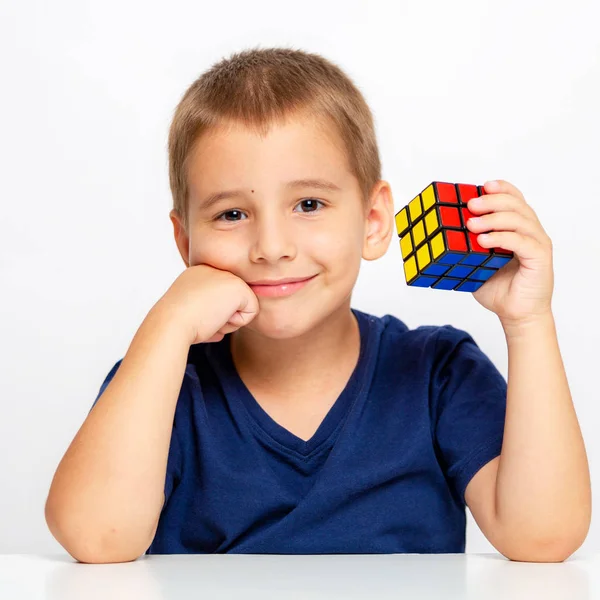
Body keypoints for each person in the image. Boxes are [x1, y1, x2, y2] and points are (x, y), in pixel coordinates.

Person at [44, 46, 591, 564]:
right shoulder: (163, 383)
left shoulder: (437, 374)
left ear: (374, 222)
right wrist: (165, 327)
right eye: (231, 214)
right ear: (185, 242)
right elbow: (96, 538)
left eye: (309, 204)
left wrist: (528, 322)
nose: (272, 247)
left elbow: (543, 538)